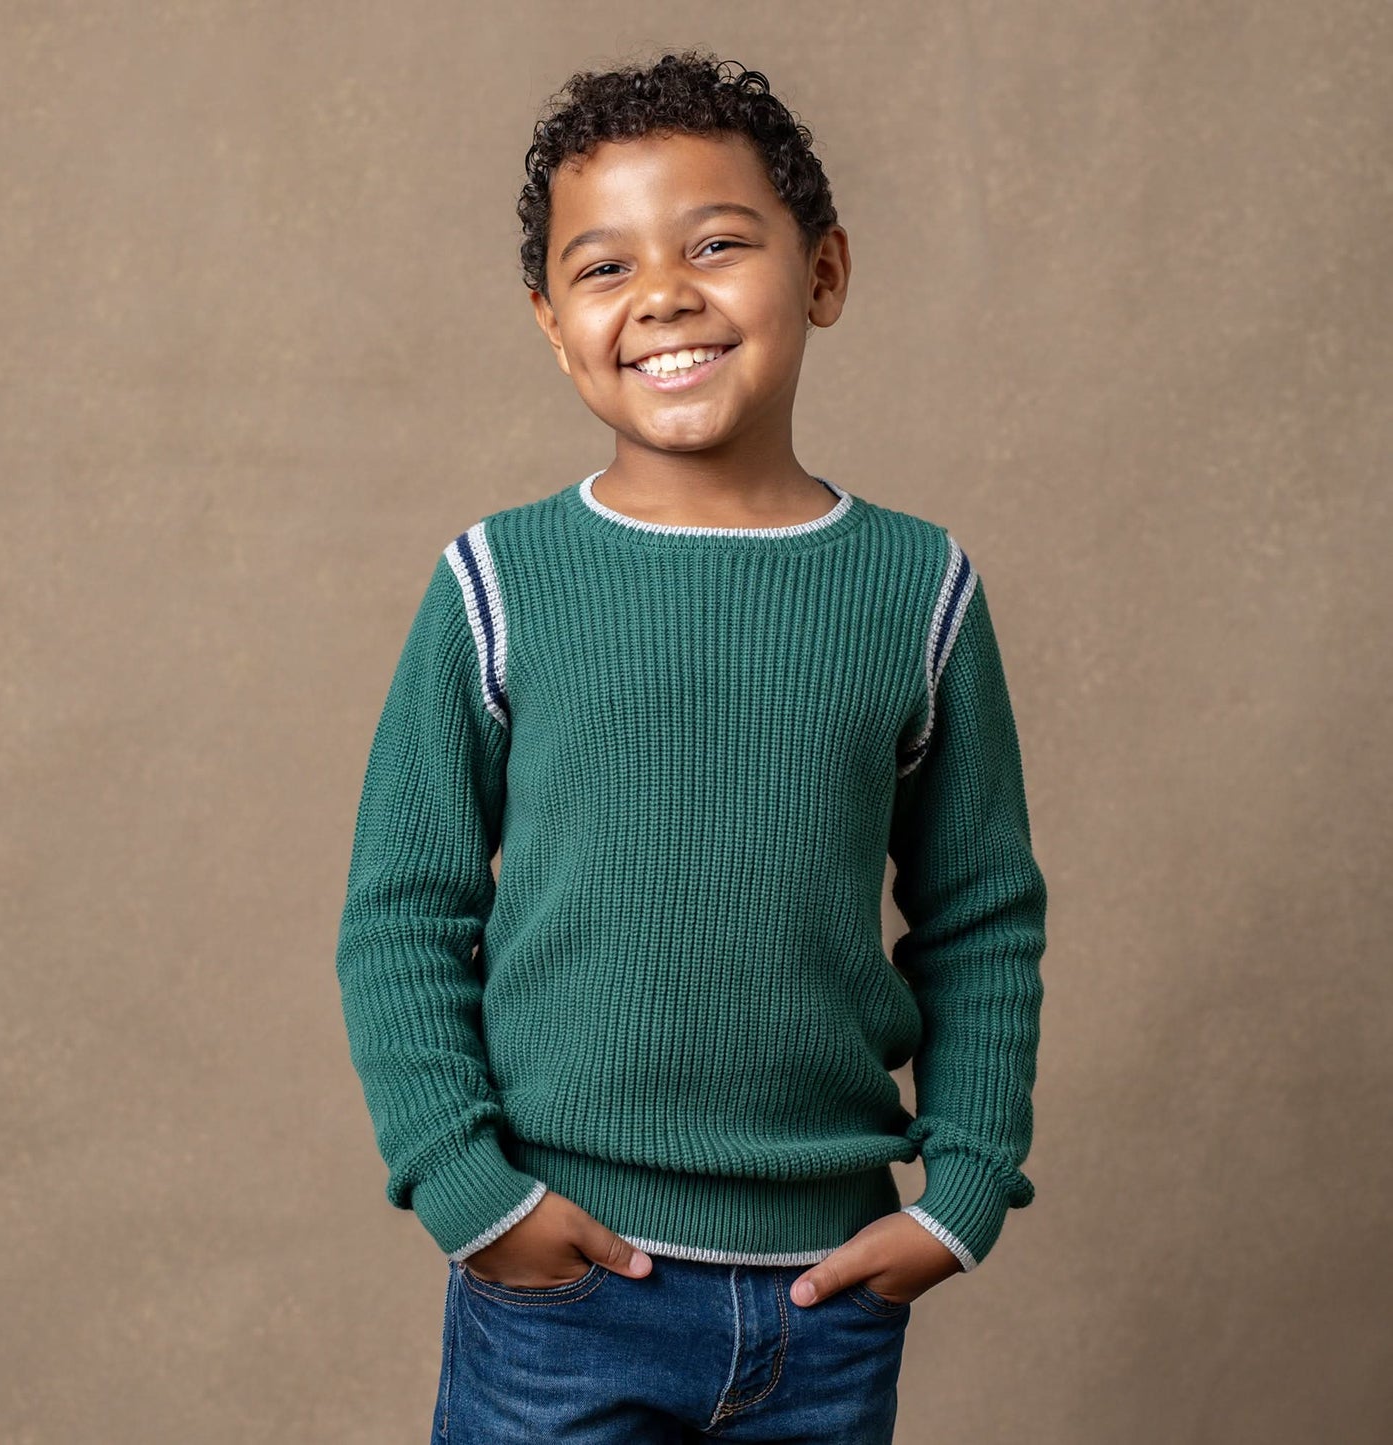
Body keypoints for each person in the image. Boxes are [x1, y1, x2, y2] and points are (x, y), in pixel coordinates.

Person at [334, 48, 1047, 1444]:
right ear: (553, 325)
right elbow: (404, 907)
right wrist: (465, 1187)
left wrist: (963, 1190)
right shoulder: (497, 582)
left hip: (826, 1300)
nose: (663, 293)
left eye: (716, 244)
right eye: (605, 268)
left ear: (823, 272)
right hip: (562, 1291)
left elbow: (979, 915)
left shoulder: (919, 589)